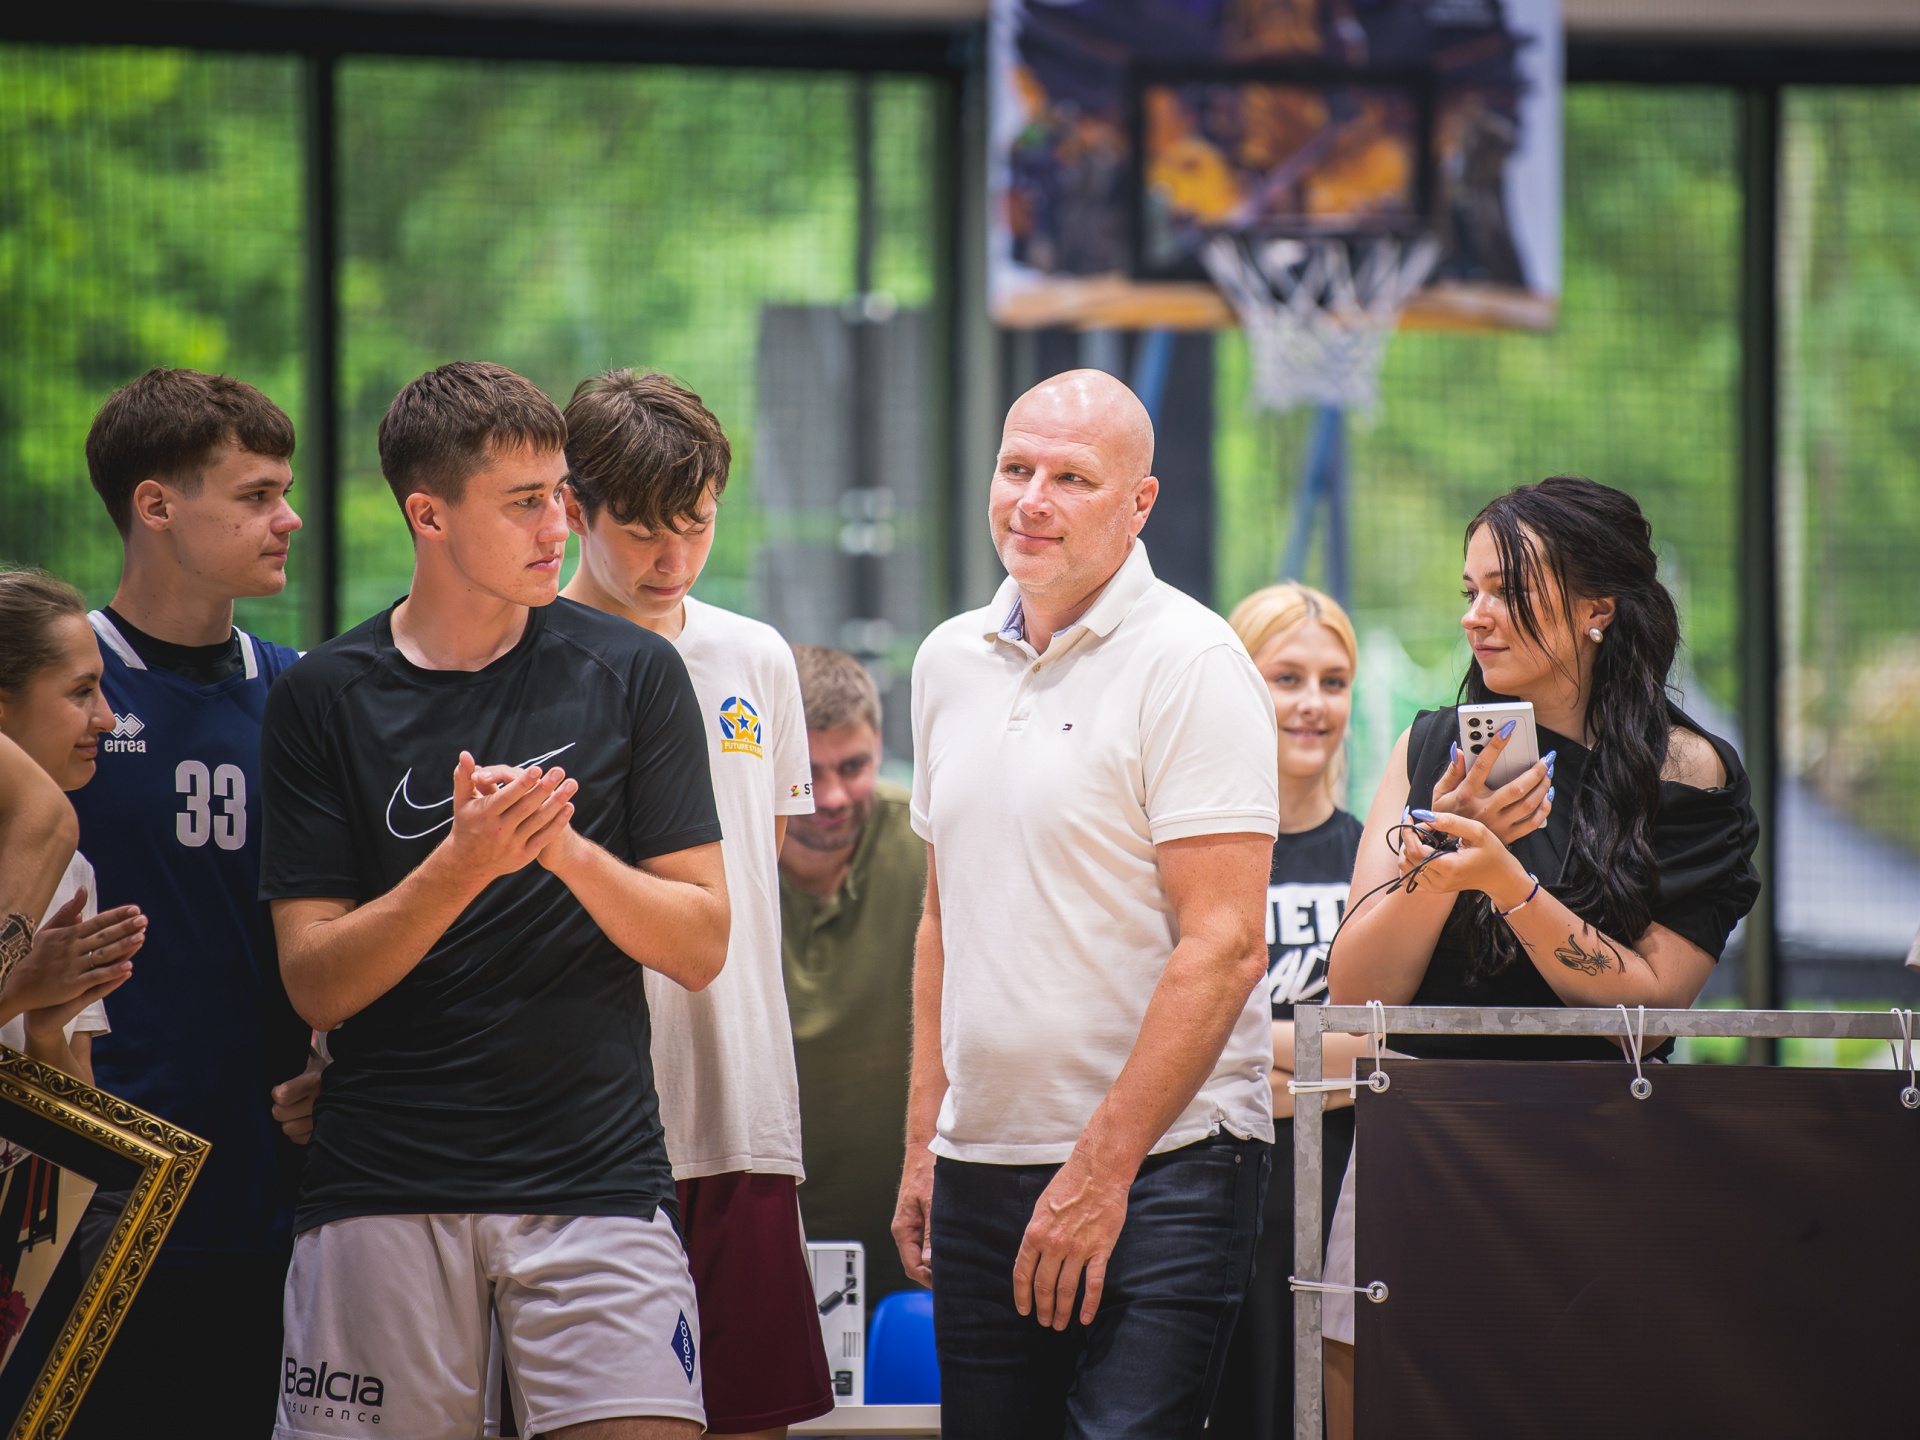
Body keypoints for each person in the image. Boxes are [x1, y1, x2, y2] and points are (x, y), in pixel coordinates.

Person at [261, 361, 729, 1440]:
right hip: (381, 1187)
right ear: (428, 515)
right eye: (524, 502)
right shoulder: (322, 695)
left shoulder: (635, 672)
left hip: (598, 1182)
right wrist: (461, 865)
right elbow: (315, 980)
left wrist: (563, 852)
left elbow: (701, 942)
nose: (558, 525)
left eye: (560, 494)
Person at [1321, 475, 1760, 1440]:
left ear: (1600, 609)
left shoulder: (1688, 775)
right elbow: (1355, 993)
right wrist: (1440, 867)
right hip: (1423, 1138)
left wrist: (1509, 883)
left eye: (1507, 590)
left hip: (1599, 1148)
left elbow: (1651, 1004)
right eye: (1469, 589)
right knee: (1381, 1395)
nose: (1475, 616)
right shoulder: (1430, 750)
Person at [897, 369, 1280, 1439]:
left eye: (1071, 478)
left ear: (1140, 503)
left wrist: (1100, 1174)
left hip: (1166, 1168)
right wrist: (924, 1141)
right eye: (1016, 468)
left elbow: (1225, 947)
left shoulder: (1194, 662)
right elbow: (943, 919)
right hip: (980, 1165)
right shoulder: (945, 661)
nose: (1032, 501)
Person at [558, 368, 832, 1439]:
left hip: (738, 1103)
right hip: (576, 1129)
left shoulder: (755, 657)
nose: (672, 557)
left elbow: (752, 882)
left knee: (751, 1414)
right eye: (640, 529)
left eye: (697, 523)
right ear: (574, 509)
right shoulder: (522, 659)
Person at [62, 367, 312, 1438]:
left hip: (277, 1185)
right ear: (156, 505)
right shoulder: (57, 689)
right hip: (95, 1186)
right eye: (256, 495)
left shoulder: (302, 690)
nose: (288, 518)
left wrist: (343, 1065)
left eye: (284, 492)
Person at [1208, 582, 1374, 1440]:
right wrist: (1325, 1063)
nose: (1313, 703)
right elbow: (1159, 1033)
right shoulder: (1196, 853)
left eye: (1333, 682)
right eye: (1287, 678)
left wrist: (1236, 1051)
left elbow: (1389, 1052)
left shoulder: (1376, 859)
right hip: (1207, 1195)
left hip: (1345, 1196)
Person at [779, 645, 925, 1305]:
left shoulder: (927, 843)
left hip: (909, 1230)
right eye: (807, 774)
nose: (833, 797)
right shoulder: (711, 854)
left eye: (853, 767)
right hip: (754, 1230)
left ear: (881, 748)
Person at [0, 569, 143, 1082]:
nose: (108, 718)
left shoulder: (74, 871)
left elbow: (78, 1106)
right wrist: (16, 993)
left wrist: (44, 1031)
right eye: (82, 691)